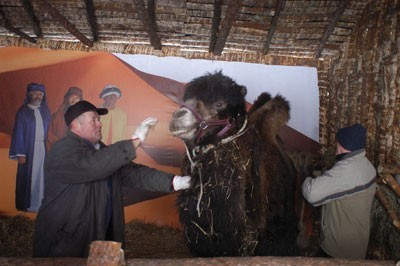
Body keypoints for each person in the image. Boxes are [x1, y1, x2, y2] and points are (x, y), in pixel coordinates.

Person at [32, 100, 191, 258]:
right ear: (76, 125)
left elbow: (133, 173)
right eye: (93, 120)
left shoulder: (102, 152)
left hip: (104, 233)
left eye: (99, 120)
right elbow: (93, 165)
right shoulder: (62, 150)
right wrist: (134, 142)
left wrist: (176, 182)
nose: (99, 124)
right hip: (67, 241)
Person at [302, 123, 377, 259]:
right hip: (357, 242)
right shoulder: (367, 166)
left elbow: (312, 194)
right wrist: (323, 176)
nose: (335, 148)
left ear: (343, 146)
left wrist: (305, 177)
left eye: (337, 144)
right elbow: (342, 184)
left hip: (338, 249)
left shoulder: (346, 171)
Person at [9, 83, 51, 212]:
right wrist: (21, 153)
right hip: (28, 150)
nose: (37, 96)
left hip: (43, 149)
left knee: (42, 176)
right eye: (35, 93)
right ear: (29, 94)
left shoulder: (45, 111)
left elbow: (50, 130)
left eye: (40, 94)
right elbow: (18, 133)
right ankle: (28, 205)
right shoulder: (23, 112)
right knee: (28, 177)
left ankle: (41, 205)